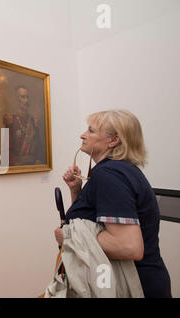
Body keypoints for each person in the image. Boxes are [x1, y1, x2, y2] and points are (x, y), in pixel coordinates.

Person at [54, 109, 171, 298]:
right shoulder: (120, 170)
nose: (82, 135)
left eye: (91, 131)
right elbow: (90, 221)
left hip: (134, 286)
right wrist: (76, 190)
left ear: (113, 140)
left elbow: (128, 246)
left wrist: (69, 237)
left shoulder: (109, 175)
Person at [3, 86, 45, 166]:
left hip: (33, 165)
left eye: (27, 97)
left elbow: (39, 146)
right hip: (17, 166)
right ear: (17, 100)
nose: (26, 100)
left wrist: (38, 160)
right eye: (23, 97)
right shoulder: (11, 120)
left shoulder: (33, 121)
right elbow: (7, 147)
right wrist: (14, 163)